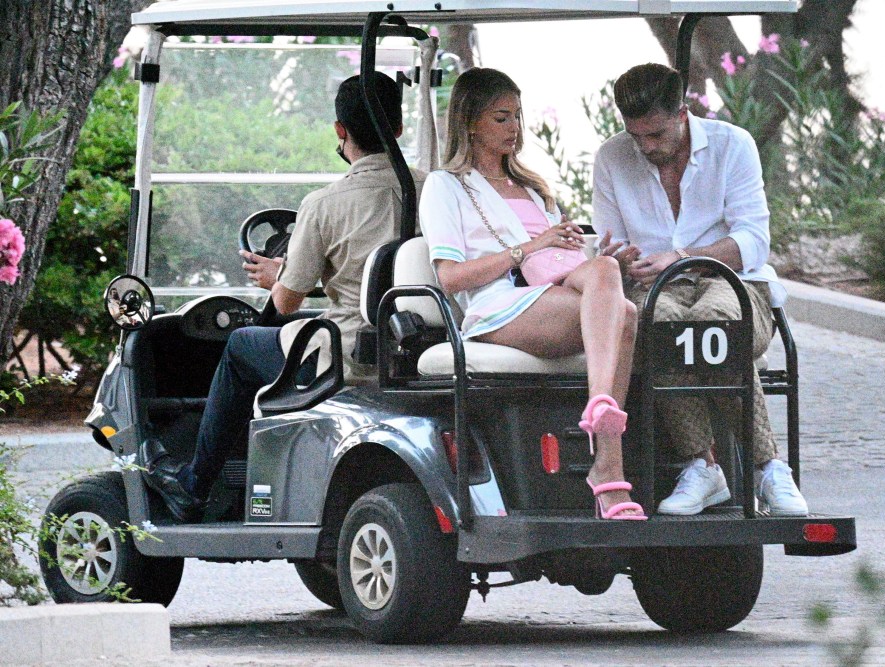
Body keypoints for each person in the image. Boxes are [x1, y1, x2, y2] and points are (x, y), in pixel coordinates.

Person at [140, 72, 426, 522]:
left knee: (240, 345)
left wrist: (280, 277)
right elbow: (383, 272)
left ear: (340, 131)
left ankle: (193, 485)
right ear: (398, 128)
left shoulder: (326, 203)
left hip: (351, 353)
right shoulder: (430, 190)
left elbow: (286, 303)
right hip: (416, 345)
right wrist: (290, 274)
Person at [419, 68, 645, 520]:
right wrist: (528, 247)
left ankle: (601, 408)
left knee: (609, 280)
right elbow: (450, 278)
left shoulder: (533, 187)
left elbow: (559, 265)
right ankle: (608, 460)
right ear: (470, 123)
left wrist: (602, 256)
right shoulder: (446, 186)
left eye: (518, 117)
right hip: (497, 307)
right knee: (624, 318)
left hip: (553, 292)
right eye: (502, 118)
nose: (515, 129)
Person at [592, 63, 808, 517]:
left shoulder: (732, 145)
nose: (647, 147)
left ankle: (768, 469)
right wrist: (617, 257)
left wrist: (684, 256)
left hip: (732, 280)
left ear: (682, 111)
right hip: (652, 286)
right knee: (661, 326)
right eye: (637, 137)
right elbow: (607, 242)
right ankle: (702, 464)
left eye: (656, 135)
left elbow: (754, 239)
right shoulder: (613, 157)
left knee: (717, 323)